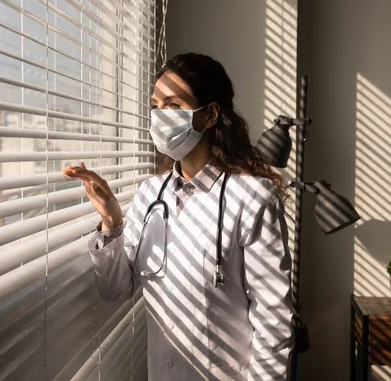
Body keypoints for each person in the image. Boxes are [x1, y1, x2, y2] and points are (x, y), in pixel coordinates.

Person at [63, 53, 294, 381]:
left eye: (173, 104)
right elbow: (116, 291)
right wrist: (112, 221)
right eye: (155, 106)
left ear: (210, 114)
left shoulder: (251, 196)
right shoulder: (150, 193)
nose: (159, 116)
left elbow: (274, 319)